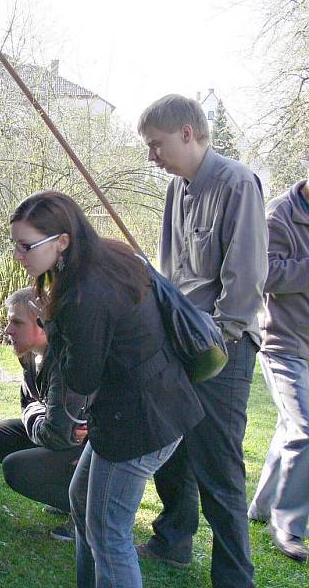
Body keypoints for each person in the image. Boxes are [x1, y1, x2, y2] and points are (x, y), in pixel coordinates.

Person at [10, 191, 204, 588]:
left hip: (140, 422)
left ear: (61, 241)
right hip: (153, 407)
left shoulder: (82, 295)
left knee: (108, 532)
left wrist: (54, 330)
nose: (18, 255)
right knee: (84, 506)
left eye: (26, 246)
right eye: (15, 244)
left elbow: (81, 380)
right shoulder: (108, 258)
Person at [136, 94, 267, 587]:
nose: (152, 156)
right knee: (169, 442)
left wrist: (221, 339)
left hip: (224, 346)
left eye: (157, 145)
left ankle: (235, 578)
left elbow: (247, 275)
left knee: (218, 465)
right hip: (180, 336)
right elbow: (174, 270)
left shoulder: (238, 183)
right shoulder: (177, 188)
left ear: (188, 134)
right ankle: (173, 540)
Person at [0, 286, 86, 541]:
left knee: (17, 468)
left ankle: (85, 510)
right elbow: (30, 404)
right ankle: (65, 495)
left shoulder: (63, 362)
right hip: (59, 432)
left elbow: (57, 435)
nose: (7, 331)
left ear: (42, 325)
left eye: (17, 322)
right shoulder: (29, 355)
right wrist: (37, 411)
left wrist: (36, 411)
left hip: (90, 448)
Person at [247, 178, 309, 563]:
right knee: (305, 429)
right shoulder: (279, 215)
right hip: (282, 345)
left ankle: (260, 506)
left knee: (291, 428)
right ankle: (287, 525)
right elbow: (264, 273)